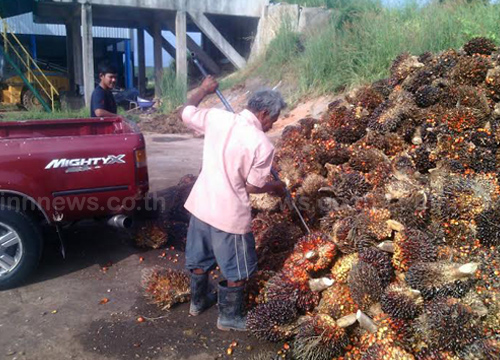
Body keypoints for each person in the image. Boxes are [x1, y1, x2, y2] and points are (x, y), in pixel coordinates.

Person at [179, 76, 287, 331]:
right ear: (263, 113)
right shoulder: (262, 144)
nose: (273, 125)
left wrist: (203, 90)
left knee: (199, 260)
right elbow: (253, 186)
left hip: (201, 204)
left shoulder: (218, 117)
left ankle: (198, 302)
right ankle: (229, 317)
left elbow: (185, 111)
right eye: (274, 119)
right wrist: (277, 187)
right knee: (237, 271)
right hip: (229, 214)